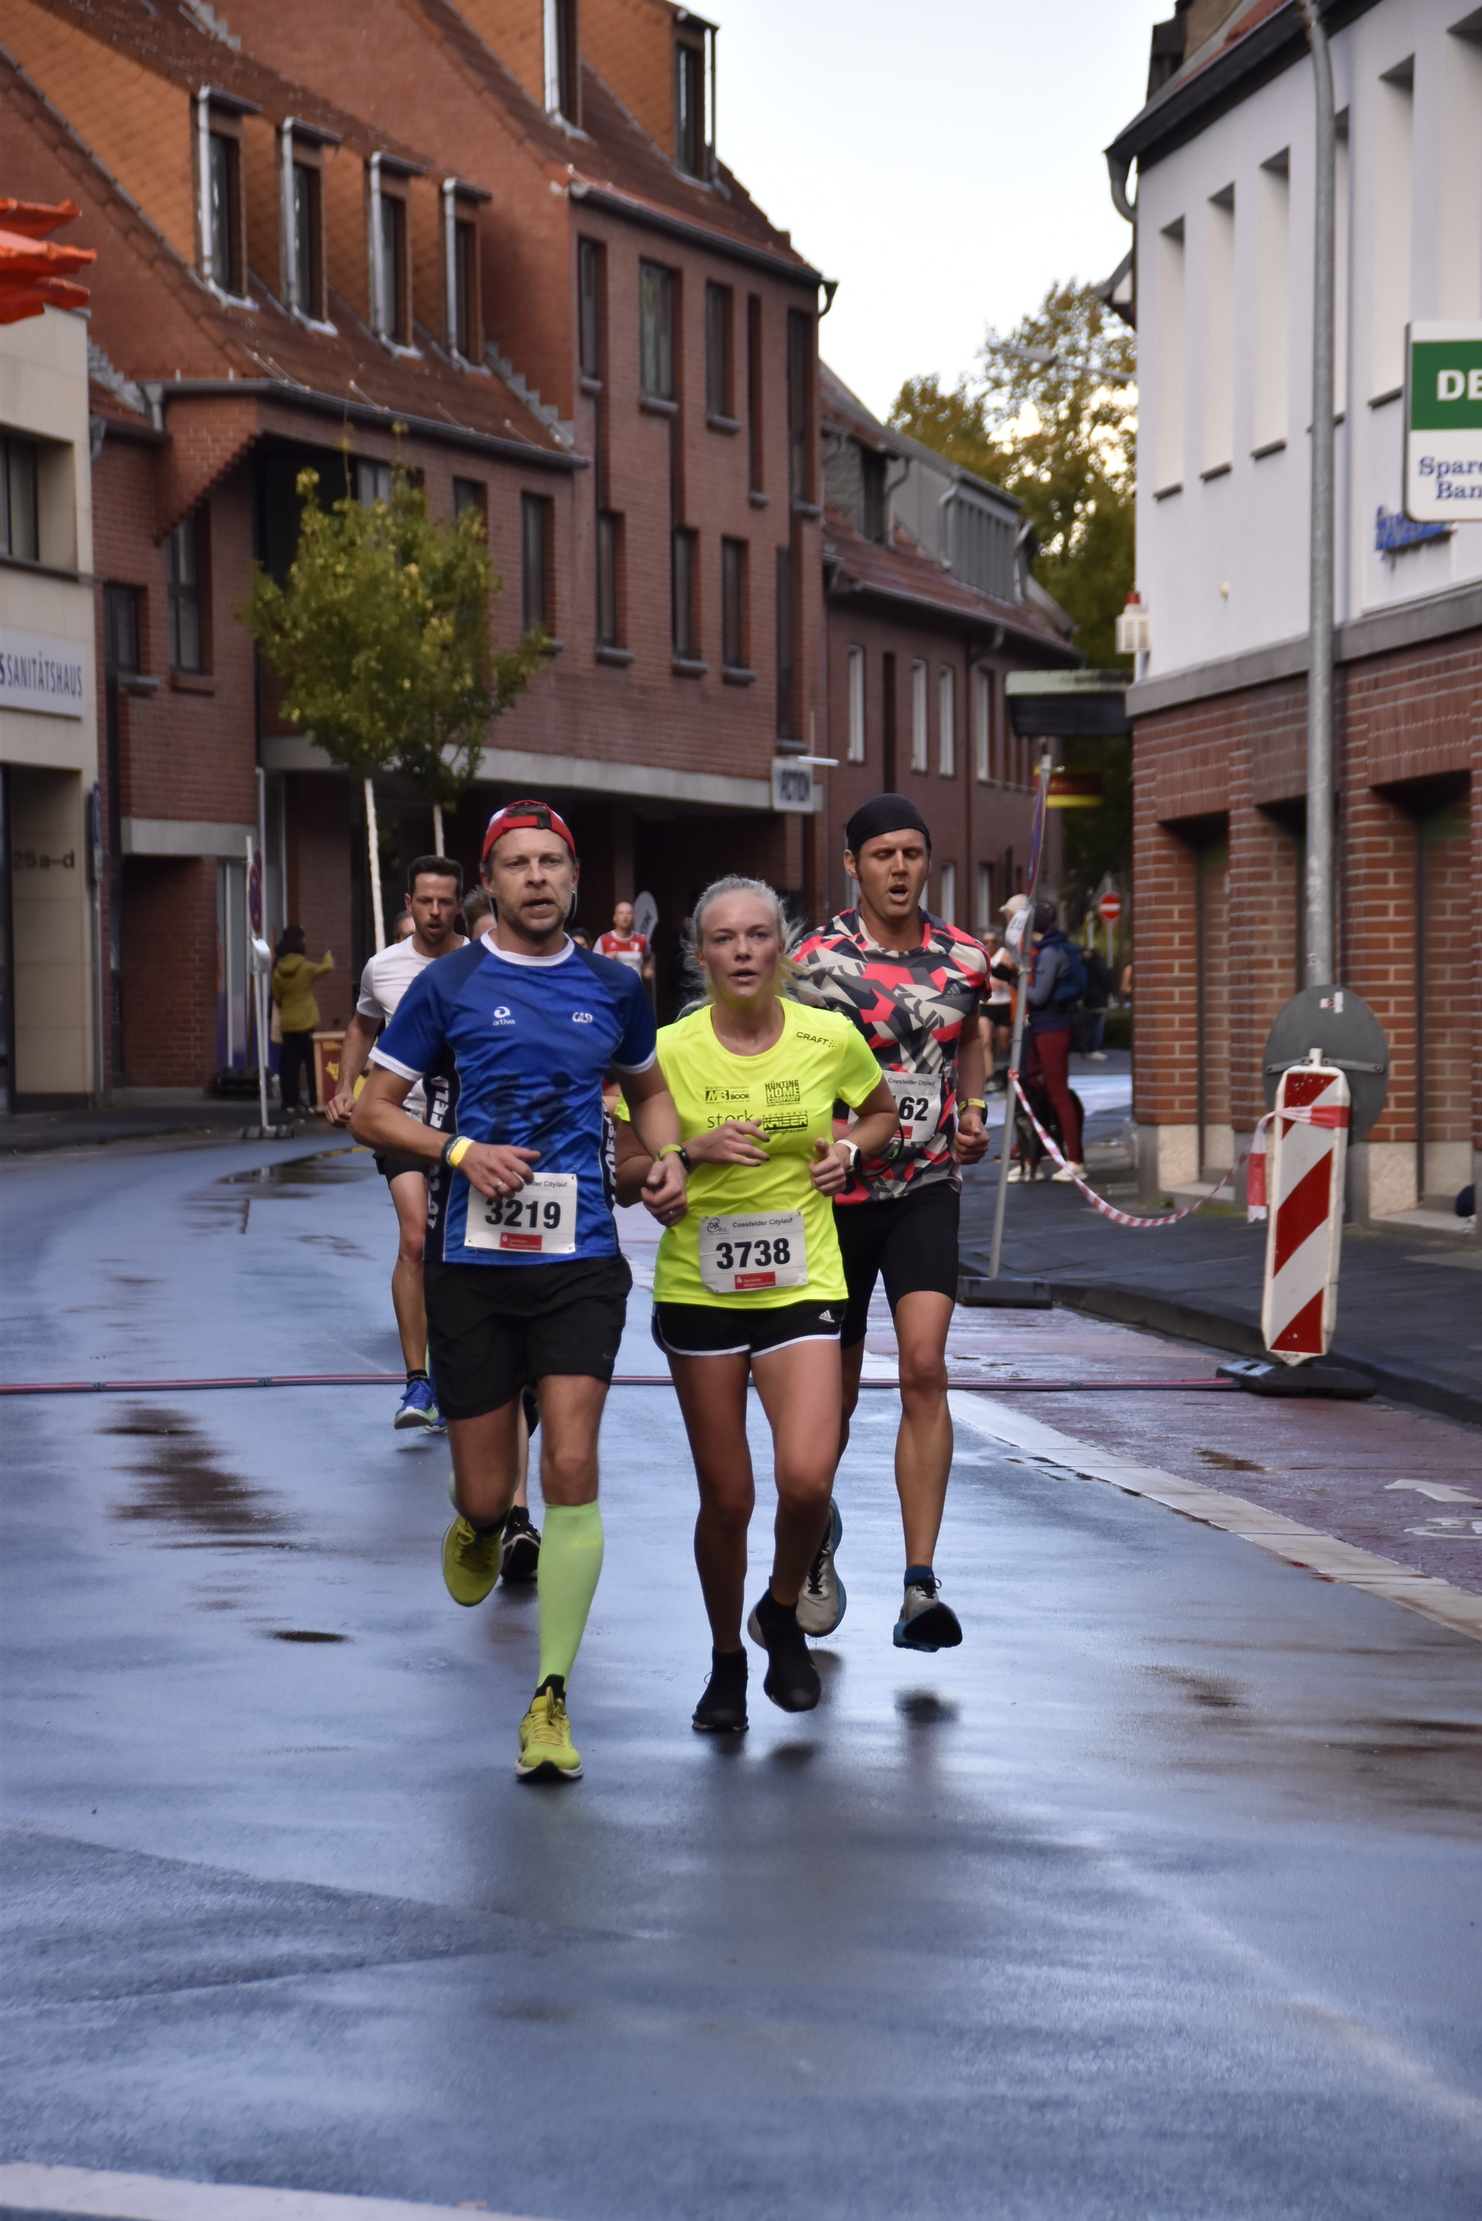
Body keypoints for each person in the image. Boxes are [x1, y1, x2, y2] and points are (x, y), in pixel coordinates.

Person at [351, 800, 687, 1783]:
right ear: (487, 884)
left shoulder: (614, 986)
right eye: (517, 863)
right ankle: (480, 1517)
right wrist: (460, 1149)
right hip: (473, 1268)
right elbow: (376, 1111)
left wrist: (663, 1157)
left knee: (573, 1464)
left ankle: (550, 1696)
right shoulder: (448, 986)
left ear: (572, 878)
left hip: (581, 1263)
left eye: (552, 861)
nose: (537, 877)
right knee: (492, 1486)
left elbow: (649, 1088)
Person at [621, 875, 896, 1731]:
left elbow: (881, 1113)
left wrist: (848, 1149)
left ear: (784, 947)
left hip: (803, 1276)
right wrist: (684, 1156)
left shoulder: (827, 1035)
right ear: (698, 955)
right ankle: (726, 1661)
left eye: (758, 935)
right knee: (730, 1498)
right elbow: (629, 1172)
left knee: (808, 1476)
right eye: (724, 939)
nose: (743, 951)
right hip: (700, 1284)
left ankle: (779, 1610)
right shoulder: (666, 1049)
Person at [793, 795, 990, 1653]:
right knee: (828, 1404)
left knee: (923, 1367)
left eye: (913, 852)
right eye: (883, 854)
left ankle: (918, 1584)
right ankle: (810, 1542)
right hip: (834, 1199)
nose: (900, 868)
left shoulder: (965, 958)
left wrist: (973, 1105)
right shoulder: (811, 962)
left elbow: (968, 1035)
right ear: (854, 865)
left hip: (924, 1189)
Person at [327, 858, 466, 1441]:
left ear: (459, 903)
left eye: (445, 903)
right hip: (400, 1119)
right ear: (408, 902)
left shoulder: (478, 963)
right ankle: (418, 1381)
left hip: (465, 1122)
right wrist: (343, 1086)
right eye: (424, 902)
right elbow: (362, 1024)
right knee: (415, 1236)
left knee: (458, 1250)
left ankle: (465, 1373)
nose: (433, 913)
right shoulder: (382, 968)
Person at [1021, 899, 1086, 1180]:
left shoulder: (1048, 953)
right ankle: (1044, 1151)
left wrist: (1015, 978)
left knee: (1057, 1092)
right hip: (1048, 1026)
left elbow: (1038, 996)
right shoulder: (1055, 949)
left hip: (1051, 1027)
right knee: (1040, 1087)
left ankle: (1074, 1160)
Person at [271, 927, 334, 1114]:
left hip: (288, 1023)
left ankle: (289, 1101)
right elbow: (326, 967)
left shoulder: (277, 972)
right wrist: (328, 956)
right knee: (312, 1063)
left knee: (289, 1065)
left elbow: (277, 997)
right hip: (306, 1022)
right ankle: (315, 1099)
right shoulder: (305, 967)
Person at [596, 900, 653, 983]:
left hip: (635, 990)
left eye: (629, 913)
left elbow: (649, 957)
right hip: (613, 991)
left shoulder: (642, 940)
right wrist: (605, 961)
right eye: (621, 913)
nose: (625, 916)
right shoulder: (603, 940)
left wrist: (647, 969)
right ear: (614, 918)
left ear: (633, 918)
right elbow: (594, 966)